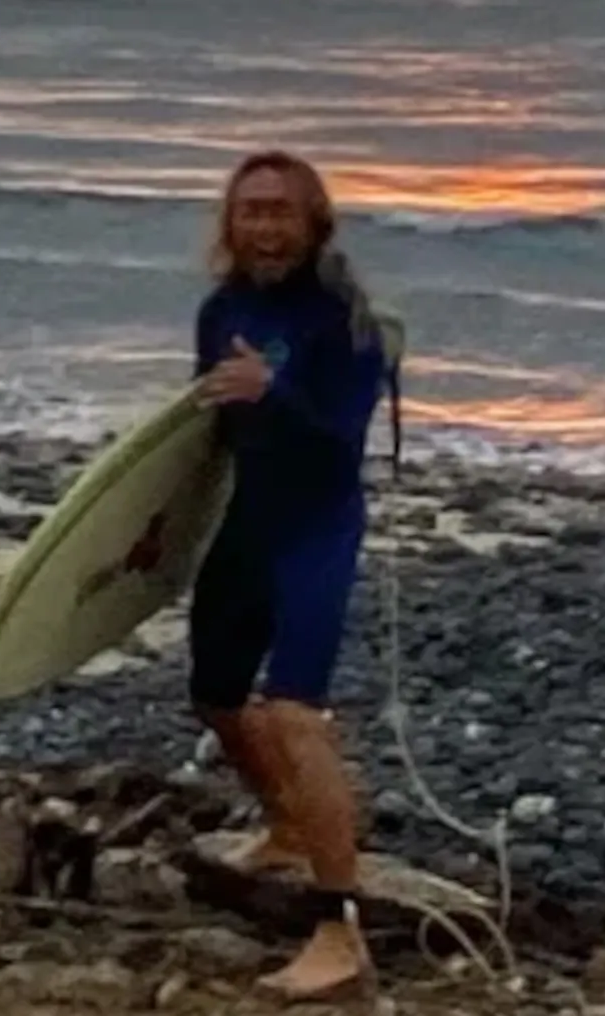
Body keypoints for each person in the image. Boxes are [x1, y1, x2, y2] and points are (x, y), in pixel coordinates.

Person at [186, 149, 394, 1002]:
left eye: (280, 211)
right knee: (217, 697)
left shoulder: (348, 322)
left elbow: (339, 443)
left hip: (316, 528)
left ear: (314, 223)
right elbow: (201, 432)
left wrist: (272, 391)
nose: (265, 226)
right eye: (250, 211)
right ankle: (282, 824)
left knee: (295, 714)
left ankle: (338, 930)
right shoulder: (221, 309)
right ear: (230, 225)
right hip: (248, 522)